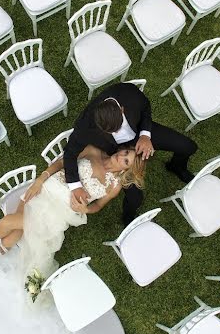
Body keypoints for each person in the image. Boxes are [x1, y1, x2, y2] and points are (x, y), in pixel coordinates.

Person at [0, 145, 145, 277]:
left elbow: (98, 206)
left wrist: (86, 209)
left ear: (126, 169)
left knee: (7, 223)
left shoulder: (114, 186)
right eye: (125, 152)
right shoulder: (93, 150)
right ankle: (1, 243)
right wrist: (40, 180)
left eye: (126, 160)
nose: (121, 156)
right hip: (46, 189)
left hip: (60, 210)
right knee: (12, 235)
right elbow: (62, 162)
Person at [64, 82, 197, 226]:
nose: (115, 133)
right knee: (135, 198)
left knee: (188, 146)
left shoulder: (129, 95)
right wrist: (75, 186)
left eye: (117, 128)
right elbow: (70, 152)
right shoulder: (85, 124)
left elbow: (145, 107)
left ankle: (176, 166)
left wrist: (145, 135)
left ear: (122, 110)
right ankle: (128, 217)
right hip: (115, 151)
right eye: (109, 131)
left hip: (139, 133)